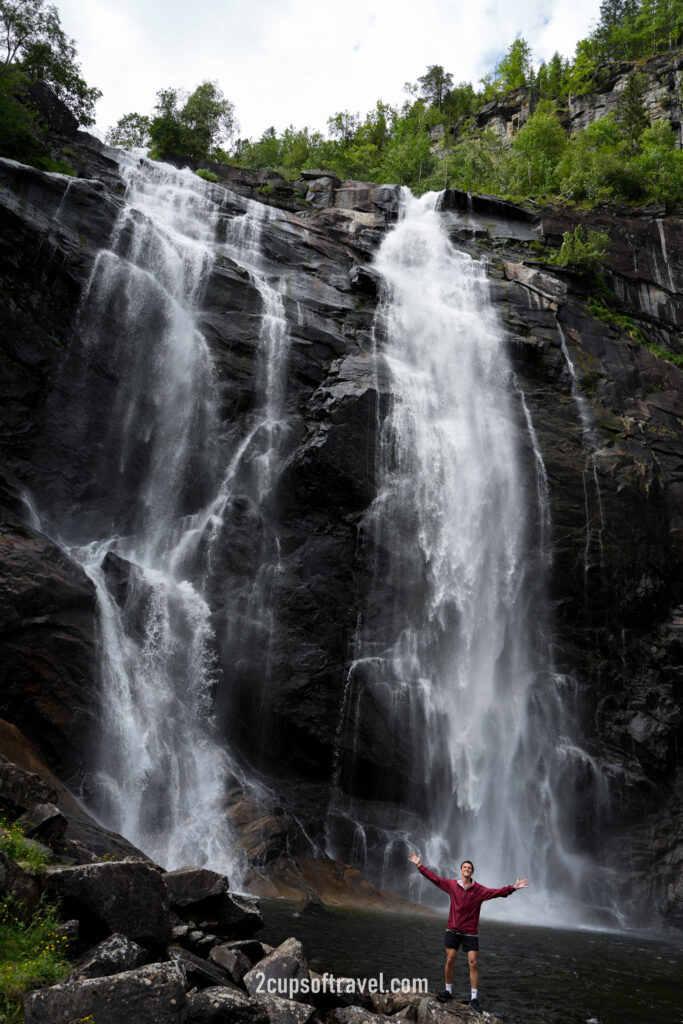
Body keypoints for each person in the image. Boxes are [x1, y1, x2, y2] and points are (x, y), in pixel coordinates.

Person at [409, 850, 528, 1013]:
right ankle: (448, 992)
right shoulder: (452, 885)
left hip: (470, 932)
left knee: (473, 962)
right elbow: (435, 879)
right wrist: (419, 865)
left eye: (469, 867)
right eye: (464, 867)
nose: (467, 869)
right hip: (453, 929)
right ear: (460, 870)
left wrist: (513, 888)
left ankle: (474, 998)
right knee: (450, 959)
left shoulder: (479, 890)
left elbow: (496, 892)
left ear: (472, 872)